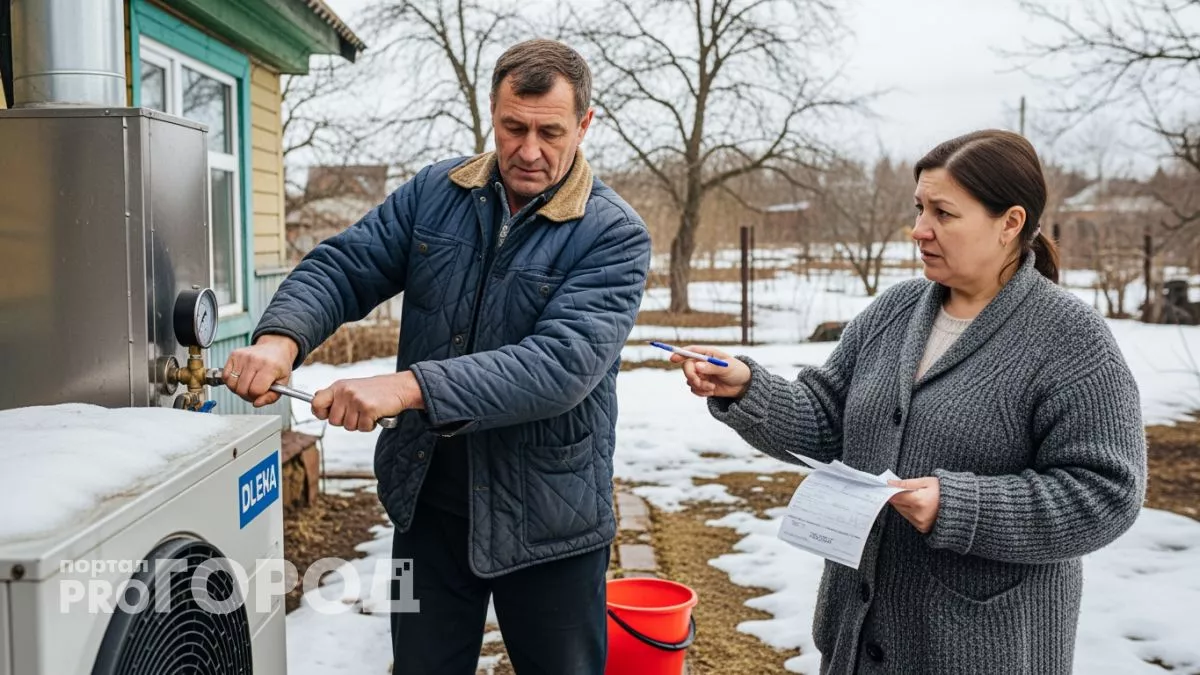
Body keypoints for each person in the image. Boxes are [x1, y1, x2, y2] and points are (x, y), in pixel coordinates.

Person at [222, 39, 651, 674]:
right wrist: (280, 337)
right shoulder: (436, 193)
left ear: (584, 125)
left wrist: (407, 387)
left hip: (550, 520)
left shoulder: (613, 234)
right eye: (513, 128)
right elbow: (346, 265)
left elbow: (557, 367)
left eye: (549, 132)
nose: (528, 151)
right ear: (492, 114)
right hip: (430, 504)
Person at [674, 130, 1147, 673]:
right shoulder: (896, 310)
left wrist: (959, 507)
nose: (919, 229)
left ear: (1010, 223)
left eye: (943, 213)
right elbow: (828, 420)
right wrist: (748, 389)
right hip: (859, 639)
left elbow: (1107, 494)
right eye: (920, 208)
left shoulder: (1069, 338)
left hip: (979, 652)